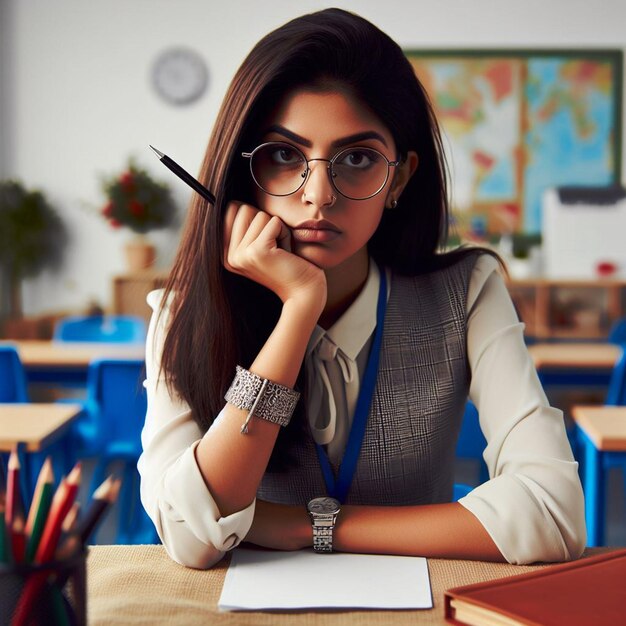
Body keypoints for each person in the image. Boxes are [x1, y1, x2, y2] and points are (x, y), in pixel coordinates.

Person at [138, 8, 585, 570]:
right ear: (240, 171)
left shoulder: (468, 290)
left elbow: (554, 515)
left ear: (398, 178)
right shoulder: (183, 311)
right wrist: (299, 309)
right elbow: (188, 537)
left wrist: (308, 526)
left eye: (356, 158)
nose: (319, 195)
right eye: (283, 155)